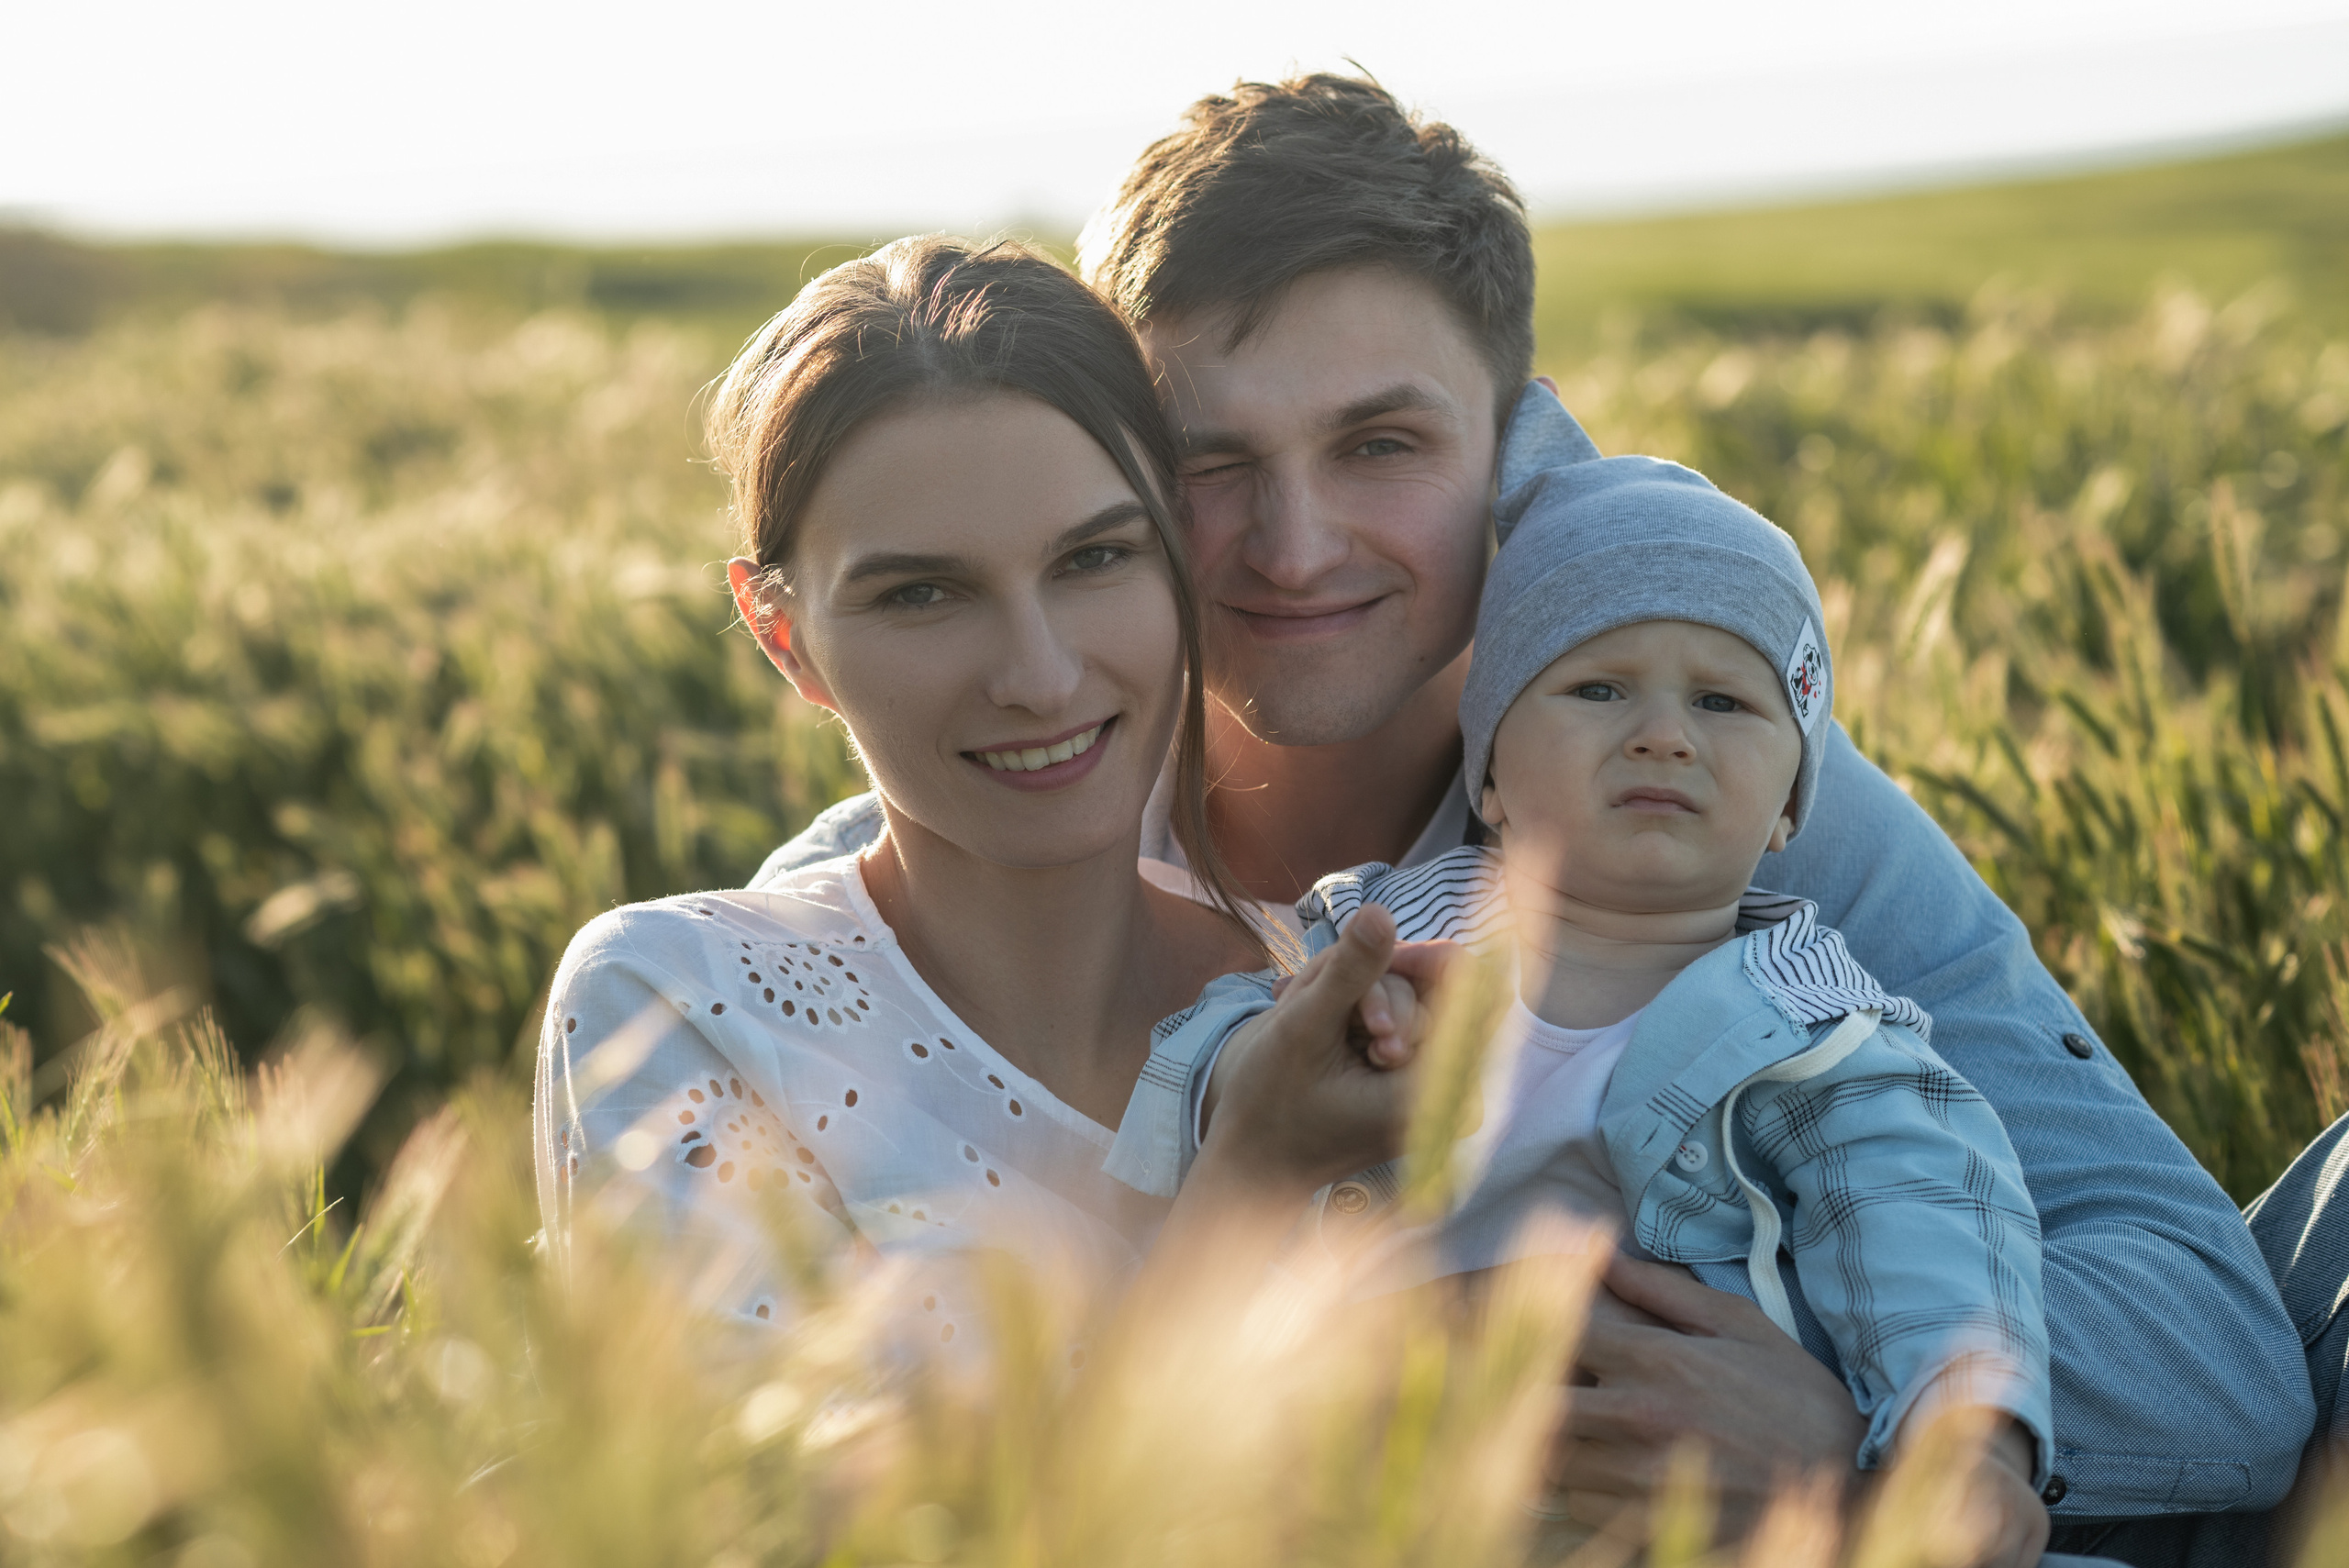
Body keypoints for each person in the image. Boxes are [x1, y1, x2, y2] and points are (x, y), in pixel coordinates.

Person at [751, 75, 2327, 1561]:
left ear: (1509, 455)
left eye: (1382, 443)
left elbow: (2216, 1349)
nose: (1295, 547)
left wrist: (1840, 1408)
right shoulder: (903, 885)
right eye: (1210, 461)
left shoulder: (1711, 799)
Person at [1142, 381, 2054, 1564]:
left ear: (1791, 800)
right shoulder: (1368, 938)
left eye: (1723, 700)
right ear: (1490, 775)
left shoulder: (1826, 1037)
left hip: (1658, 1511)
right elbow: (1204, 1085)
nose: (1664, 732)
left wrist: (1966, 1448)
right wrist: (1246, 1069)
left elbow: (1934, 1229)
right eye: (1598, 687)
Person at [535, 236, 1431, 1356]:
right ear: (784, 636)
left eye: (1094, 559)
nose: (1040, 676)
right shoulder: (683, 1003)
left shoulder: (1332, 1013)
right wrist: (1250, 1180)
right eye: (922, 593)